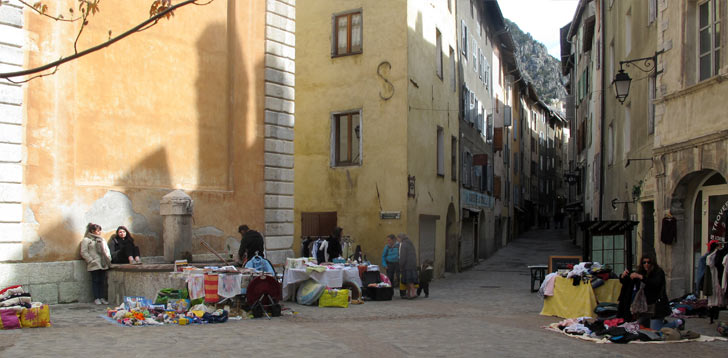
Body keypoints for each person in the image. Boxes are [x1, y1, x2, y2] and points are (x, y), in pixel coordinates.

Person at [621, 255, 683, 330]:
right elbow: (628, 282)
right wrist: (623, 276)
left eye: (648, 262)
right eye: (644, 262)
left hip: (657, 305)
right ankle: (662, 323)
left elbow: (654, 284)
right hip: (644, 306)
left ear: (652, 263)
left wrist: (641, 277)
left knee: (656, 329)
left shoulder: (658, 272)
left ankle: (678, 322)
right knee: (641, 328)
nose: (646, 264)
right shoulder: (641, 272)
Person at [80, 223, 111, 305]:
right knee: (95, 280)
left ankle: (102, 297)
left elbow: (106, 250)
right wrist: (91, 260)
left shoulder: (102, 240)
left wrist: (108, 258)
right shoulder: (87, 240)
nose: (99, 232)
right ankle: (96, 297)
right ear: (92, 231)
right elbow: (84, 252)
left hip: (103, 263)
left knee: (102, 281)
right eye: (98, 231)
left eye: (100, 230)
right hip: (94, 264)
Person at [397, 233, 418, 299]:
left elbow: (403, 256)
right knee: (407, 280)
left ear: (401, 238)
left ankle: (413, 293)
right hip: (412, 264)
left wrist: (401, 265)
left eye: (398, 238)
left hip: (407, 265)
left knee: (409, 280)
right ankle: (408, 294)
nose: (398, 240)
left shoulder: (404, 244)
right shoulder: (410, 243)